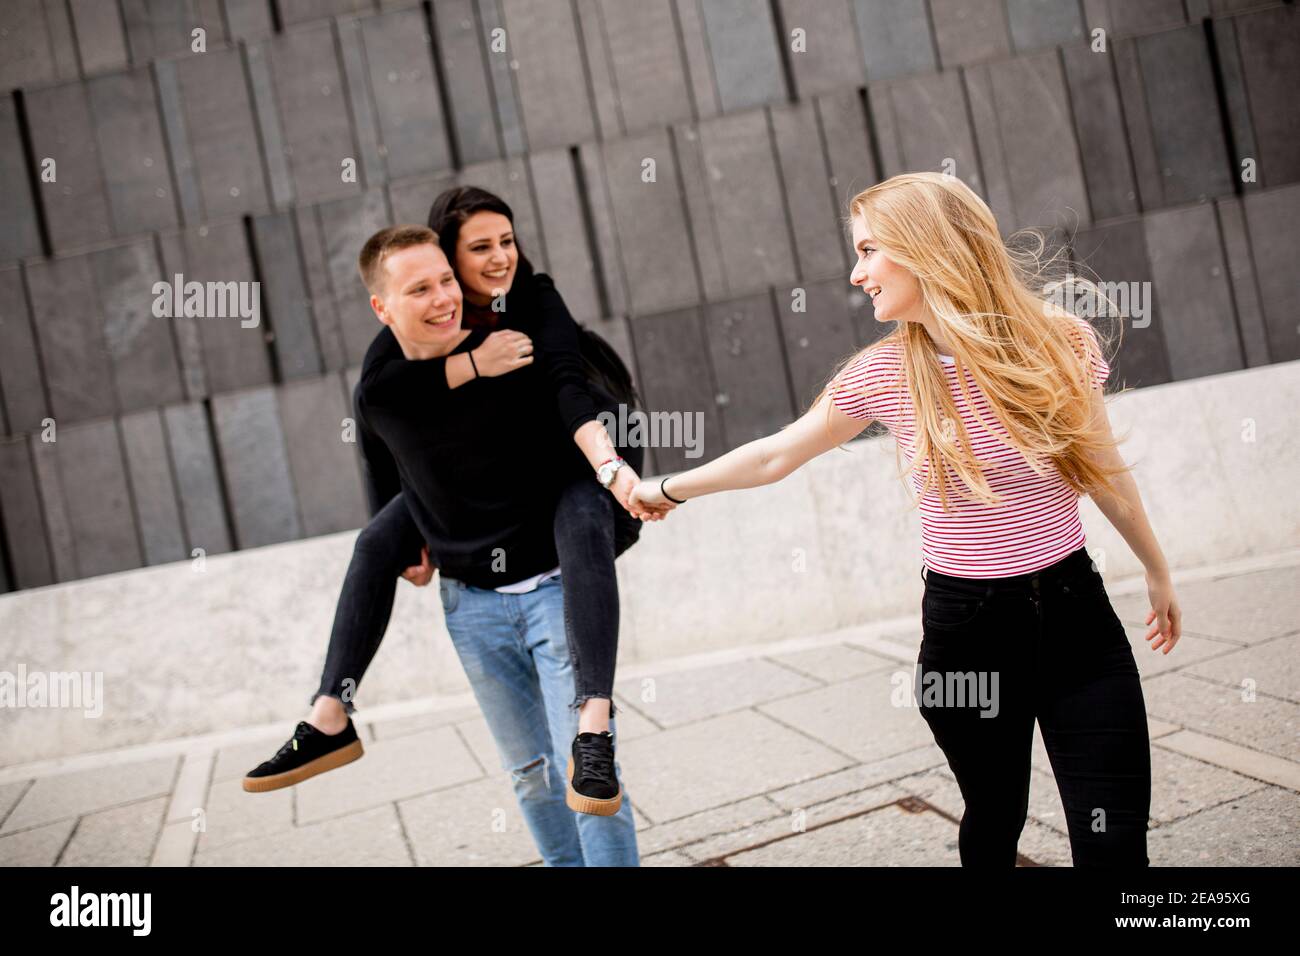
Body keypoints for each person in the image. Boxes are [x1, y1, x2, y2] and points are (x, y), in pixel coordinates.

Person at [631, 171, 1182, 867]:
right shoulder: (886, 373)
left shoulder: (1060, 343)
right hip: (967, 635)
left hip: (1078, 619)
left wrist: (1158, 571)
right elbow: (775, 456)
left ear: (927, 247)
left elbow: (1103, 471)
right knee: (995, 819)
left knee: (1114, 842)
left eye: (869, 250)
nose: (856, 272)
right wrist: (671, 488)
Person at [243, 223, 645, 864]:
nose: (442, 299)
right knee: (530, 774)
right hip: (474, 607)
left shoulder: (511, 350)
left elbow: (597, 410)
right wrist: (409, 547)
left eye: (445, 282)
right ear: (382, 308)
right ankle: (330, 713)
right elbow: (383, 460)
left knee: (587, 769)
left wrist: (611, 488)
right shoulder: (385, 389)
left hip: (552, 587)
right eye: (418, 289)